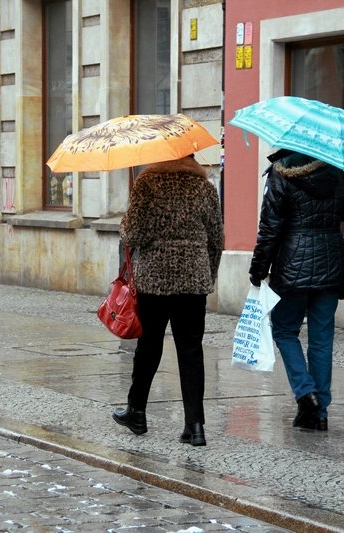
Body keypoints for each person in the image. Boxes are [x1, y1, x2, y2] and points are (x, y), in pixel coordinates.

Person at [112, 153, 223, 446]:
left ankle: (137, 411)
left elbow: (134, 234)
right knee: (191, 351)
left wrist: (124, 224)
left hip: (154, 280)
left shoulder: (147, 184)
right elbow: (216, 239)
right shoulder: (205, 188)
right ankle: (195, 425)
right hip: (193, 281)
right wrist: (207, 274)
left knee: (148, 347)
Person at [248, 148, 344, 431]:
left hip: (292, 265)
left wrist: (258, 269)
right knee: (321, 338)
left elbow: (270, 227)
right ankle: (320, 411)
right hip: (331, 262)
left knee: (283, 330)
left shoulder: (280, 172)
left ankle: (306, 394)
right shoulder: (337, 171)